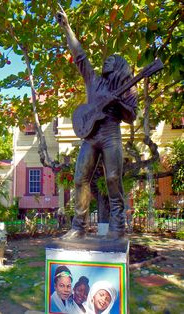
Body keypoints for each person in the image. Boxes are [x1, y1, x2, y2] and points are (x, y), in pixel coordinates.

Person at [56, 6, 137, 240]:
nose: (105, 61)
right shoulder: (93, 81)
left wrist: (119, 103)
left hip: (111, 134)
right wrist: (67, 28)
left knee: (113, 178)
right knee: (80, 178)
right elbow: (79, 55)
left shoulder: (127, 89)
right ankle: (78, 227)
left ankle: (117, 227)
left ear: (120, 66)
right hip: (90, 135)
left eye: (111, 60)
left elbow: (131, 116)